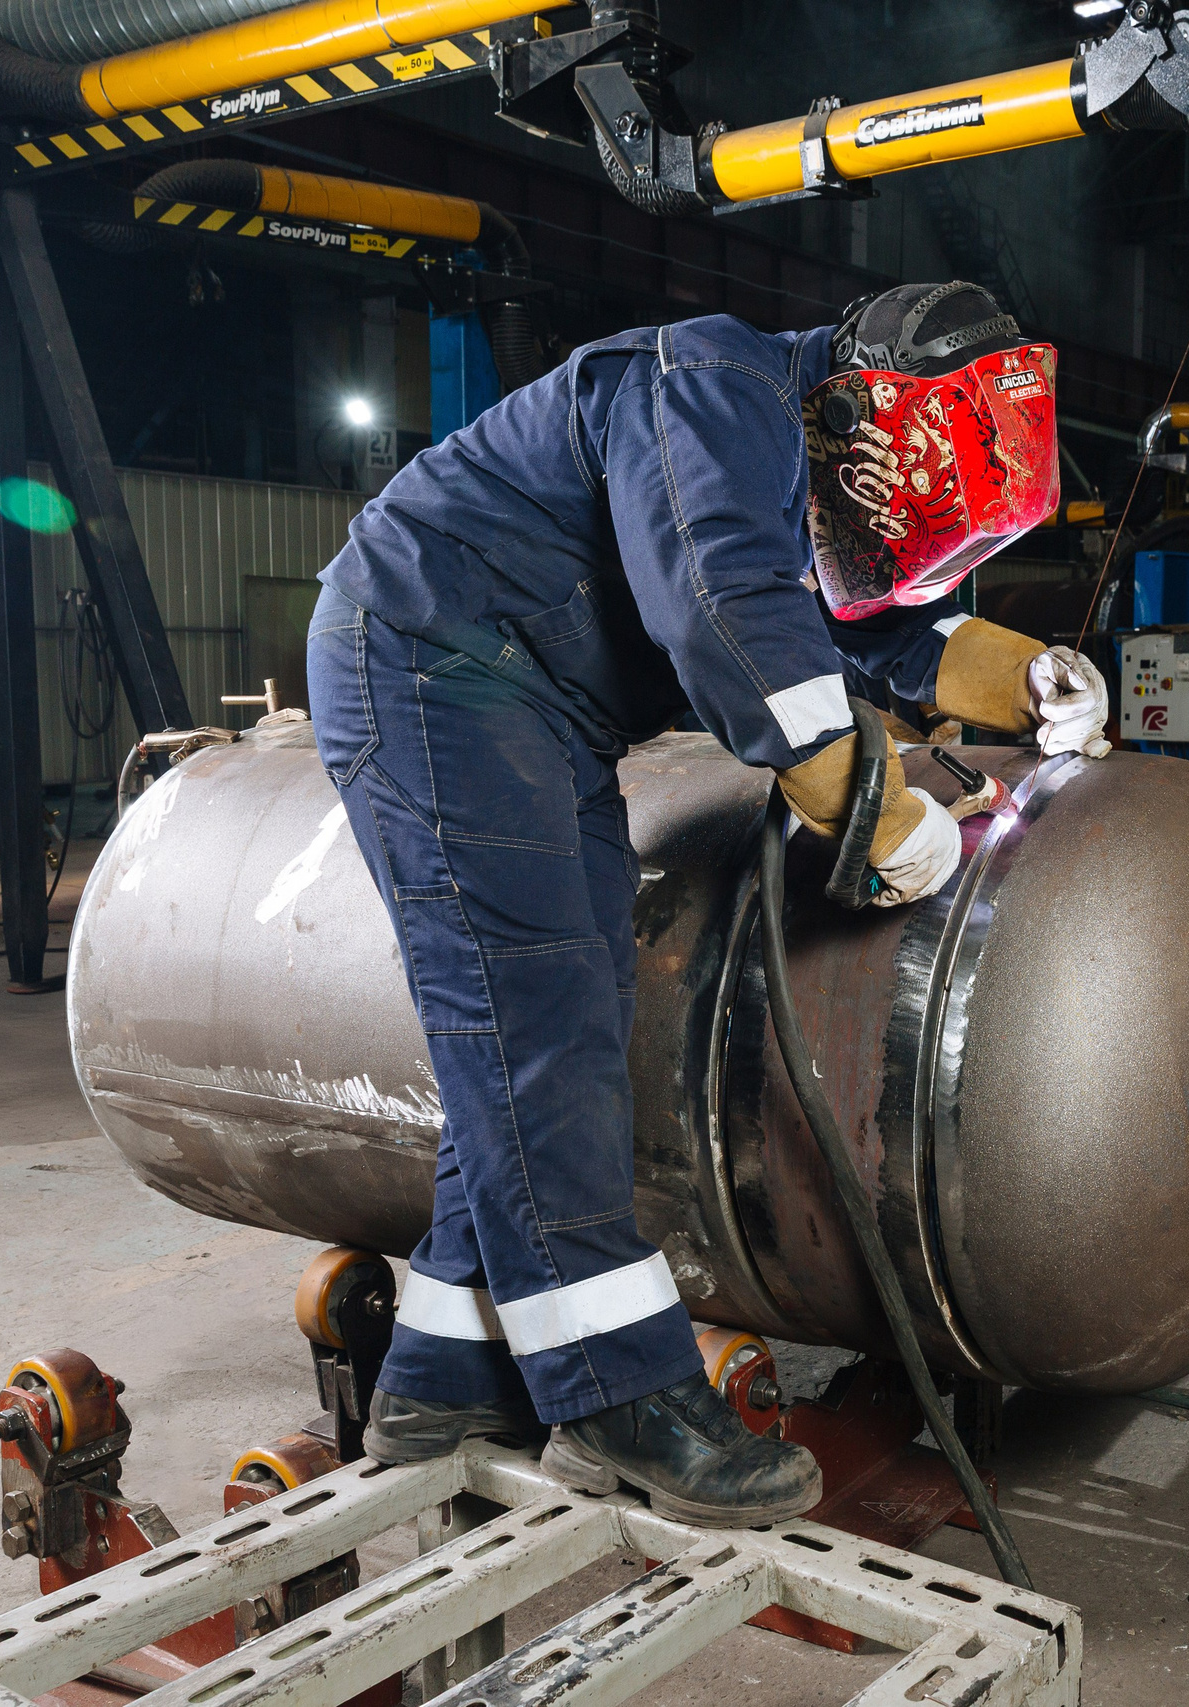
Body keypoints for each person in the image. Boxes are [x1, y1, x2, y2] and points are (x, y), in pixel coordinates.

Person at [304, 281, 1109, 1525]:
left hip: (522, 698)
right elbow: (725, 603)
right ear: (861, 419)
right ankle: (619, 1394)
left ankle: (444, 1377)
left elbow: (878, 628)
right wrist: (862, 799)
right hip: (434, 667)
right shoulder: (719, 389)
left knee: (547, 1029)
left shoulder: (781, 457)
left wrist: (1023, 678)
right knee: (541, 1028)